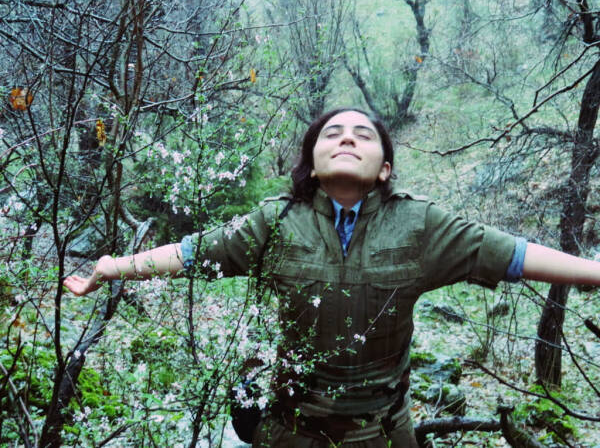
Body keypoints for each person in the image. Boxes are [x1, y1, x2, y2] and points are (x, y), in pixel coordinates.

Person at [64, 108, 600, 447]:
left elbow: (512, 254)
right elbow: (193, 253)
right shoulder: (275, 221)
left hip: (385, 434)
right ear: (312, 162)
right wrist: (113, 267)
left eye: (363, 135)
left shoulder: (422, 224)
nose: (347, 139)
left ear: (384, 168)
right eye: (332, 133)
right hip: (290, 431)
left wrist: (596, 273)